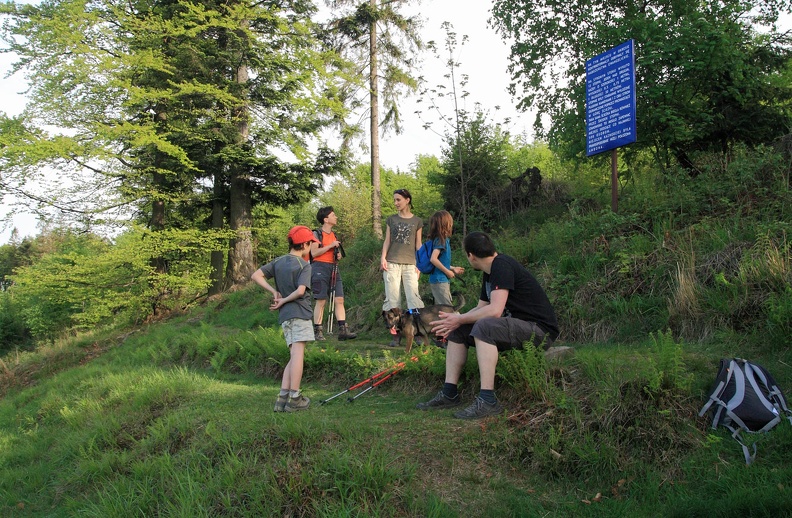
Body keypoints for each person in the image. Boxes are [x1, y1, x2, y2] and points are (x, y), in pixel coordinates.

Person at [416, 231, 559, 419]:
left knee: (484, 327)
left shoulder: (502, 266)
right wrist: (455, 321)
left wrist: (459, 318)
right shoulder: (489, 271)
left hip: (539, 331)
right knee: (459, 329)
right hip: (515, 326)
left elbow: (495, 311)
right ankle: (449, 393)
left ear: (470, 256)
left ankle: (488, 400)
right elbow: (481, 307)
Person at [251, 225, 319, 413]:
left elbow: (256, 275)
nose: (310, 248)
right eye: (310, 244)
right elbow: (300, 291)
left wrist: (274, 292)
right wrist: (282, 300)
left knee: (293, 355)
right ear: (304, 244)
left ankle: (282, 398)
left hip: (286, 317)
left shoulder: (278, 261)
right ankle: (295, 397)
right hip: (300, 312)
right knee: (298, 355)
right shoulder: (304, 265)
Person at [381, 188, 425, 346]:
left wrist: (420, 263)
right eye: (394, 200)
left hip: (411, 264)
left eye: (398, 200)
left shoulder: (417, 221)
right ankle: (395, 334)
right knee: (392, 300)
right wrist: (383, 258)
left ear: (407, 200)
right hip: (392, 263)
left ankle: (418, 332)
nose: (396, 203)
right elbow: (387, 240)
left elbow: (418, 244)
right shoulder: (391, 220)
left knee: (414, 298)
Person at [310, 206, 357, 341]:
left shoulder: (333, 235)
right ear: (326, 219)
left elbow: (331, 252)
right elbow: (314, 253)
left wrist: (337, 255)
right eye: (333, 215)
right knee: (321, 300)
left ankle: (343, 330)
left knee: (339, 299)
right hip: (319, 268)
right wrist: (330, 246)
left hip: (333, 267)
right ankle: (318, 331)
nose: (336, 217)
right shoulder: (316, 234)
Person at [426, 210, 465, 306]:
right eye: (450, 222)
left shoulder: (440, 240)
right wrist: (447, 272)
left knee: (441, 311)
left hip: (439, 280)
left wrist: (453, 268)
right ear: (445, 224)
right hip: (440, 280)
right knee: (448, 310)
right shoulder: (440, 240)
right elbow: (433, 259)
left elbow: (440, 261)